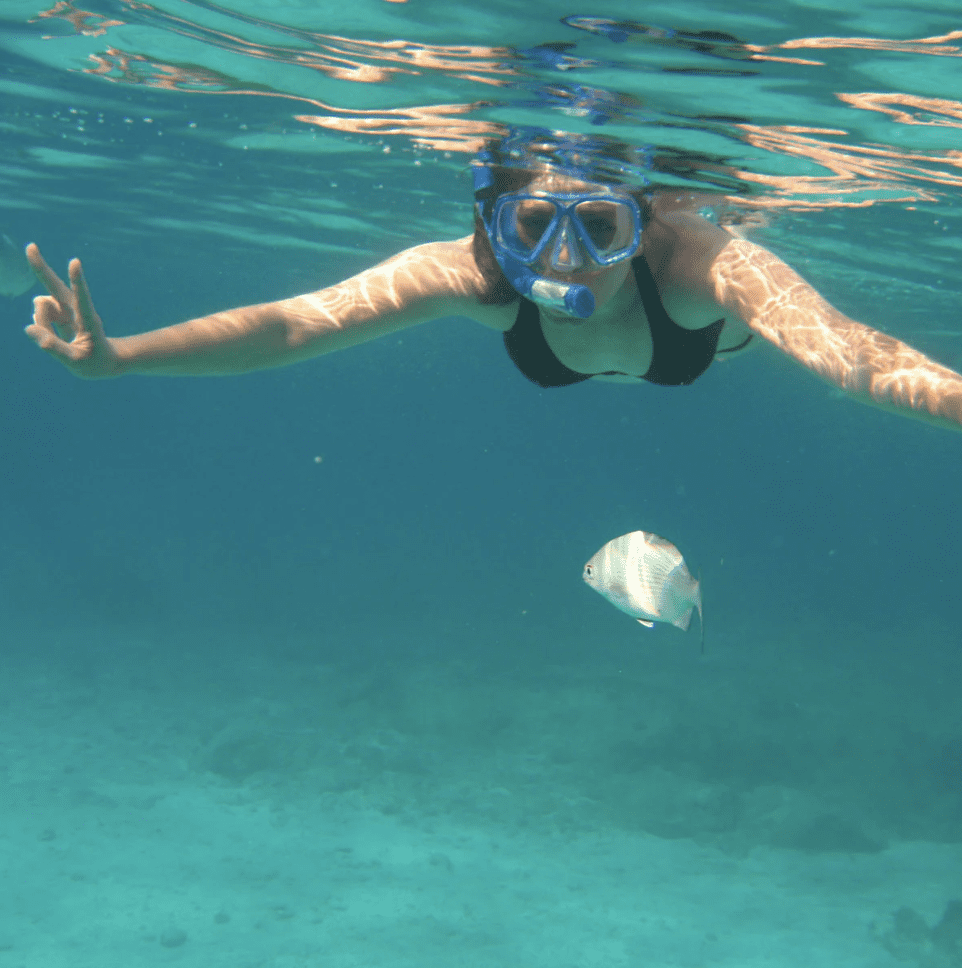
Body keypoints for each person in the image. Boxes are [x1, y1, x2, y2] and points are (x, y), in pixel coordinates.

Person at [22, 140, 962, 433]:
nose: (566, 259)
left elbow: (859, 360)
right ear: (493, 228)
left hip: (710, 350)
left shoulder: (701, 263)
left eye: (600, 227)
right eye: (532, 227)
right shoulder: (468, 276)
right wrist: (123, 358)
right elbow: (296, 325)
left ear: (644, 222)